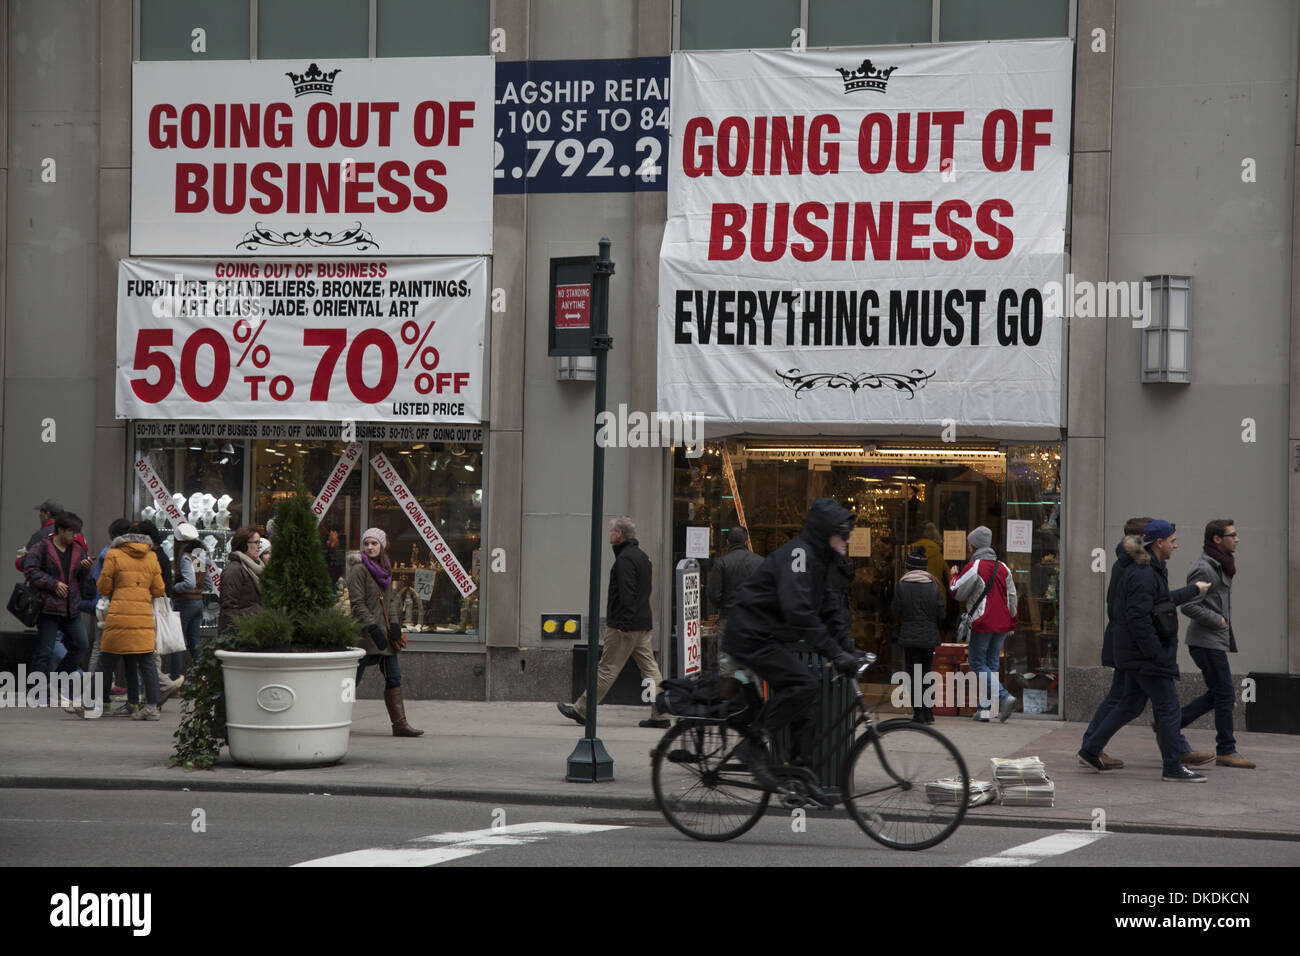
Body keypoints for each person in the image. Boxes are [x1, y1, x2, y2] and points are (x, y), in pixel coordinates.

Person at [719, 499, 868, 803]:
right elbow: (798, 610)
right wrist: (834, 653)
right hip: (750, 634)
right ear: (827, 532)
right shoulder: (800, 554)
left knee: (807, 700)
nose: (848, 539)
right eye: (843, 533)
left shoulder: (821, 560)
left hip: (769, 637)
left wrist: (849, 649)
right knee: (803, 684)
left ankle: (801, 776)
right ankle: (754, 741)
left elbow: (831, 609)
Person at [1078, 520, 1211, 781]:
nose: (1176, 545)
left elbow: (1159, 602)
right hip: (1145, 655)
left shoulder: (1149, 569)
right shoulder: (1143, 572)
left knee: (1130, 703)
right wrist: (1156, 654)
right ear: (1158, 543)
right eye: (1172, 540)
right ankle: (1173, 766)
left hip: (1136, 653)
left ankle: (1091, 749)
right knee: (1169, 706)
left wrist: (1193, 590)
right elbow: (1138, 617)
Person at [557, 516, 668, 729]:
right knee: (651, 670)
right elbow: (645, 592)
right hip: (642, 624)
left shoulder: (625, 559)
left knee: (607, 669)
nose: (609, 534)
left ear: (619, 535)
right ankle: (660, 715)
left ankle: (582, 710)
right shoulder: (643, 557)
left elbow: (627, 594)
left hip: (624, 626)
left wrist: (624, 623)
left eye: (611, 532)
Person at [1077, 516, 1153, 770]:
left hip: (1125, 641)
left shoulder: (1129, 561)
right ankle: (1091, 746)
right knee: (1128, 699)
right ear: (1142, 537)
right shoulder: (1131, 564)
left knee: (1122, 696)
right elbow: (1122, 608)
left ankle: (1092, 745)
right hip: (1129, 643)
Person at [1179, 519, 1254, 768]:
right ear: (1217, 539)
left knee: (1217, 694)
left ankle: (1170, 724)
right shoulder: (1205, 568)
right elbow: (1188, 604)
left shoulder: (1221, 565)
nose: (1237, 539)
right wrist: (1218, 620)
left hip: (1213, 640)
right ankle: (1226, 749)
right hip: (1205, 641)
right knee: (1224, 694)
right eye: (1232, 535)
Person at [347, 528, 423, 738]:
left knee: (394, 677)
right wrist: (372, 627)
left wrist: (396, 625)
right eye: (367, 544)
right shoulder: (358, 569)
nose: (370, 547)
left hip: (385, 634)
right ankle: (332, 719)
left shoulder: (385, 568)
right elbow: (357, 603)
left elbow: (390, 601)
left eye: (374, 544)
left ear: (382, 546)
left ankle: (399, 724)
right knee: (351, 680)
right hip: (365, 635)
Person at [95, 524, 166, 719]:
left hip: (119, 616)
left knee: (106, 661)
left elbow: (104, 587)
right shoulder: (151, 556)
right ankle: (152, 707)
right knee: (147, 662)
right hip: (143, 617)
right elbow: (159, 589)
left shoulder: (113, 554)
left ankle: (94, 702)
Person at [22, 512, 92, 705]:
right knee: (44, 651)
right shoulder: (42, 547)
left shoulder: (78, 549)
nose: (75, 536)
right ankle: (37, 692)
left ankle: (59, 679)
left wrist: (86, 567)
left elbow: (80, 578)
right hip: (49, 607)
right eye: (72, 532)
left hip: (72, 607)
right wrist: (53, 584)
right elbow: (31, 570)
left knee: (81, 645)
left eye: (77, 532)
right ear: (61, 530)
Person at [949, 527, 1018, 721]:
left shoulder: (976, 565)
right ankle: (985, 710)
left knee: (977, 662)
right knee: (992, 664)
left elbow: (957, 591)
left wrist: (953, 575)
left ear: (973, 545)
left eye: (969, 543)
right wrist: (1012, 622)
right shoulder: (1003, 567)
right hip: (1002, 624)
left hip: (983, 621)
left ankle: (1004, 697)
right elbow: (1012, 597)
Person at [893, 546, 945, 723]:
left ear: (908, 567)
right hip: (929, 636)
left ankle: (918, 713)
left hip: (909, 636)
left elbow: (895, 611)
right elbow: (941, 614)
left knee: (913, 674)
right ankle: (928, 712)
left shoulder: (902, 586)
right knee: (926, 673)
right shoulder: (934, 586)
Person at [705, 526, 763, 678]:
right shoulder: (760, 562)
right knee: (751, 662)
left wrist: (722, 606)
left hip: (728, 618)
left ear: (727, 542)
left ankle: (728, 697)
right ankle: (750, 697)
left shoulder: (721, 563)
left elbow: (713, 594)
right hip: (752, 619)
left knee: (726, 662)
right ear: (746, 541)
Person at [172, 526, 208, 669]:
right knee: (195, 642)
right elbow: (207, 581)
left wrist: (174, 587)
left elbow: (189, 582)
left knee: (178, 642)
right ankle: (201, 676)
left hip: (185, 602)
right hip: (198, 601)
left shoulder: (186, 557)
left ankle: (176, 678)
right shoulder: (200, 555)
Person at [218, 526, 264, 635]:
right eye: (256, 543)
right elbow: (228, 608)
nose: (260, 546)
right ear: (243, 545)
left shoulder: (256, 568)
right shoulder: (234, 570)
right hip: (241, 632)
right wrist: (232, 636)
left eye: (259, 542)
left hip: (253, 629)